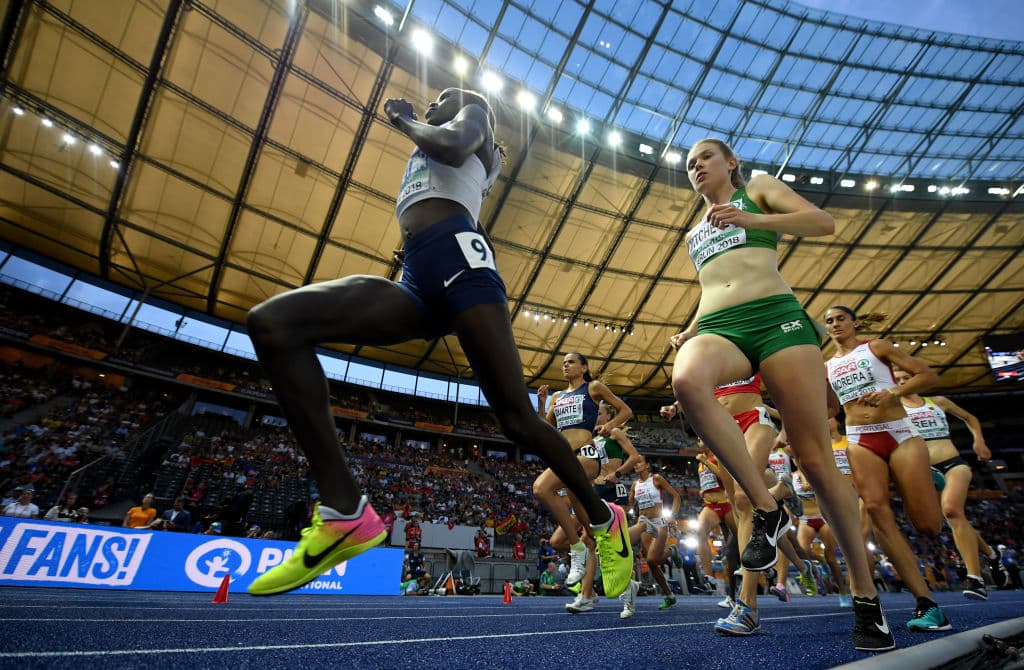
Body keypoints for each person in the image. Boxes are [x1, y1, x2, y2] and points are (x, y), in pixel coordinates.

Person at [245, 88, 631, 597]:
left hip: (462, 265)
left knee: (517, 419)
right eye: (430, 103)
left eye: (442, 96)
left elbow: (453, 146)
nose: (432, 102)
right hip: (417, 277)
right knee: (272, 323)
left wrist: (404, 119)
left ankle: (603, 519)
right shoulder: (438, 148)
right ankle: (344, 511)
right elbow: (452, 188)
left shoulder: (474, 117)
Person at [669, 138, 893, 652]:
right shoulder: (694, 231)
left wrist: (753, 220)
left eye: (705, 158)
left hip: (777, 320)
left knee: (815, 460)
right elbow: (713, 285)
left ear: (731, 163)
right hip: (721, 326)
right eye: (689, 164)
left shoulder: (757, 190)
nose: (696, 167)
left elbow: (823, 223)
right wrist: (690, 330)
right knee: (687, 381)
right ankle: (767, 507)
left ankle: (865, 595)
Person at [825, 306, 951, 632]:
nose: (835, 324)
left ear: (854, 323)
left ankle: (927, 479)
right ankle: (926, 603)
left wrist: (893, 391)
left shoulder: (876, 347)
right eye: (829, 321)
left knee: (929, 526)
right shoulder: (827, 366)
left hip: (899, 434)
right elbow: (828, 407)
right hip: (860, 440)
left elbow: (927, 375)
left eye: (840, 318)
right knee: (876, 511)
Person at [894, 370, 1007, 598]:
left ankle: (975, 579)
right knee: (952, 518)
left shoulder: (938, 402)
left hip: (954, 463)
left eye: (906, 377)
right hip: (925, 471)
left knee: (952, 510)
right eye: (897, 379)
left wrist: (978, 441)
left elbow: (970, 418)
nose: (903, 381)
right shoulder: (893, 410)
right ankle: (992, 554)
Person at [536, 352, 633, 589]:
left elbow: (625, 411)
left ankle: (580, 546)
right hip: (564, 455)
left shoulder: (593, 387)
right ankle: (595, 548)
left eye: (571, 362)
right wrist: (541, 405)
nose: (565, 366)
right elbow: (547, 428)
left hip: (586, 454)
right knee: (584, 525)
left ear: (583, 368)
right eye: (563, 363)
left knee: (550, 486)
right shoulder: (557, 396)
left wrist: (609, 425)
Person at [565, 401, 641, 613]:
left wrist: (617, 474)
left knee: (610, 543)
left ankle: (593, 596)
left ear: (609, 415)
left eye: (599, 413)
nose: (596, 416)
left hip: (613, 491)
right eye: (594, 413)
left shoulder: (614, 433)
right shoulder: (591, 438)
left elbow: (634, 457)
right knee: (588, 541)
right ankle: (592, 594)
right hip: (596, 490)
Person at [625, 455, 682, 611]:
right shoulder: (635, 484)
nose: (636, 465)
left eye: (639, 462)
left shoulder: (656, 479)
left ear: (647, 465)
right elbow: (628, 506)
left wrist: (673, 516)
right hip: (643, 523)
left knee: (651, 559)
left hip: (659, 522)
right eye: (635, 463)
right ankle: (670, 596)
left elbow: (676, 496)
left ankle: (671, 551)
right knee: (652, 563)